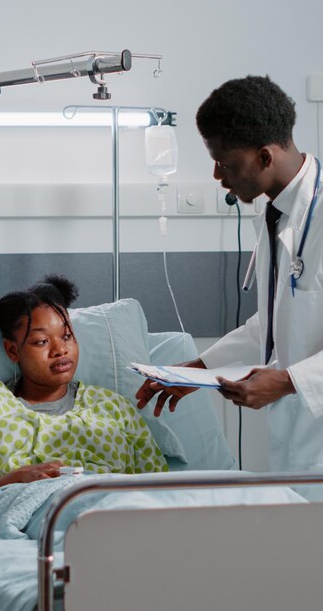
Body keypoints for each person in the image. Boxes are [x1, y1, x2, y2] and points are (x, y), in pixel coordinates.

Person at [136, 75, 323, 479]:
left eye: (225, 162)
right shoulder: (276, 214)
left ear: (265, 157)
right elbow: (274, 324)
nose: (218, 176)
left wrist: (288, 381)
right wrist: (197, 370)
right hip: (300, 444)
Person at [0, 274, 168, 516]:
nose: (60, 350)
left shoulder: (112, 408)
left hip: (116, 517)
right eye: (42, 341)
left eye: (66, 336)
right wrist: (12, 481)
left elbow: (161, 492)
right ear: (13, 350)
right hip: (30, 523)